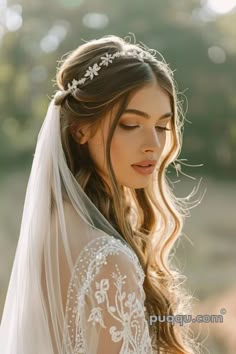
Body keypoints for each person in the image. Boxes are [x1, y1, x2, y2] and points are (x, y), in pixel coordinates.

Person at [0, 35, 203, 353]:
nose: (152, 144)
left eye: (162, 127)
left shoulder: (55, 227)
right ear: (81, 129)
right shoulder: (107, 259)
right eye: (130, 125)